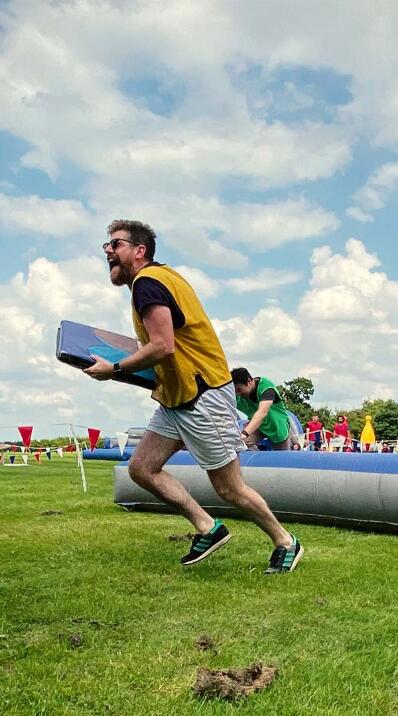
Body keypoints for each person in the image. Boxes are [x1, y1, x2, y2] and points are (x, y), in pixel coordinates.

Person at [85, 220, 303, 574]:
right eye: (106, 245)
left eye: (116, 244)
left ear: (139, 251)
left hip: (202, 397)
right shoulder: (162, 278)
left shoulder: (147, 283)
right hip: (177, 398)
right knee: (141, 468)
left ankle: (286, 542)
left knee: (229, 489)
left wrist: (115, 368)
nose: (108, 251)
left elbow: (163, 346)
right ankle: (208, 527)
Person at [230, 368, 292, 451]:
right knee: (239, 445)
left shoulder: (266, 387)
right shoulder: (237, 396)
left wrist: (245, 433)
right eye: (235, 391)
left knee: (282, 457)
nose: (237, 394)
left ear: (249, 381)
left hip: (277, 427)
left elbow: (262, 412)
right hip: (258, 427)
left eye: (239, 390)